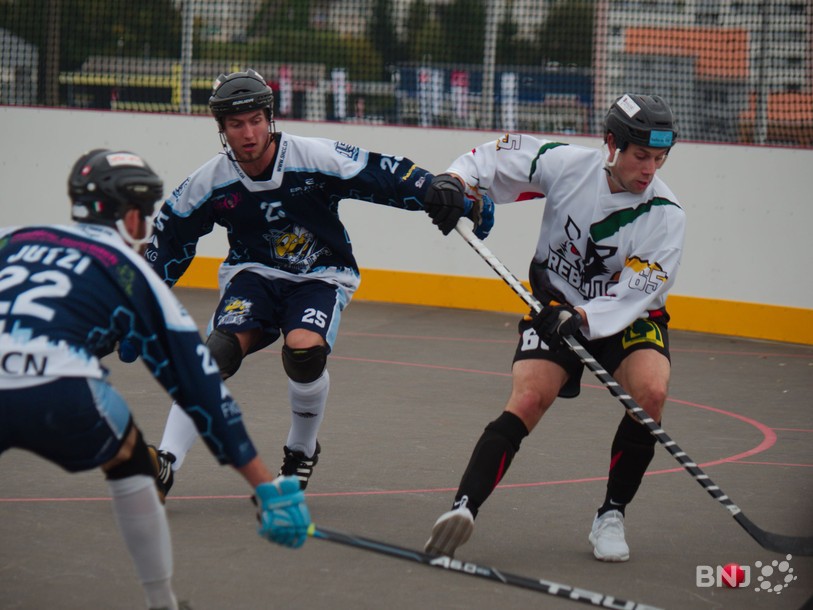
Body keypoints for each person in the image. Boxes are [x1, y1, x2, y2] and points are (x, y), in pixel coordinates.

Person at [138, 68, 491, 498]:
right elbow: (167, 240)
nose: (248, 133)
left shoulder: (313, 156)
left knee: (305, 353)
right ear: (222, 130)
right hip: (252, 275)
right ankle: (167, 462)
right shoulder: (209, 182)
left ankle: (300, 451)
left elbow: (378, 172)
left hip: (320, 274)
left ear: (270, 118)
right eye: (236, 124)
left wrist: (434, 188)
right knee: (216, 353)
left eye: (256, 120)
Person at [0, 149, 312, 610]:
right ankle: (161, 601)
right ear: (129, 216)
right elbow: (202, 391)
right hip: (62, 390)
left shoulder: (14, 236)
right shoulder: (135, 275)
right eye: (145, 213)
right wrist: (265, 486)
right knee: (129, 462)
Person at [423, 93, 684, 562]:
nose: (649, 169)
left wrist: (582, 318)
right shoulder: (566, 164)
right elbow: (495, 160)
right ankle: (463, 509)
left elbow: (636, 291)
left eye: (659, 159)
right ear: (611, 144)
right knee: (527, 399)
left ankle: (612, 514)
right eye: (641, 155)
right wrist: (455, 180)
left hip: (627, 319)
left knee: (651, 393)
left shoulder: (664, 214)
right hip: (552, 307)